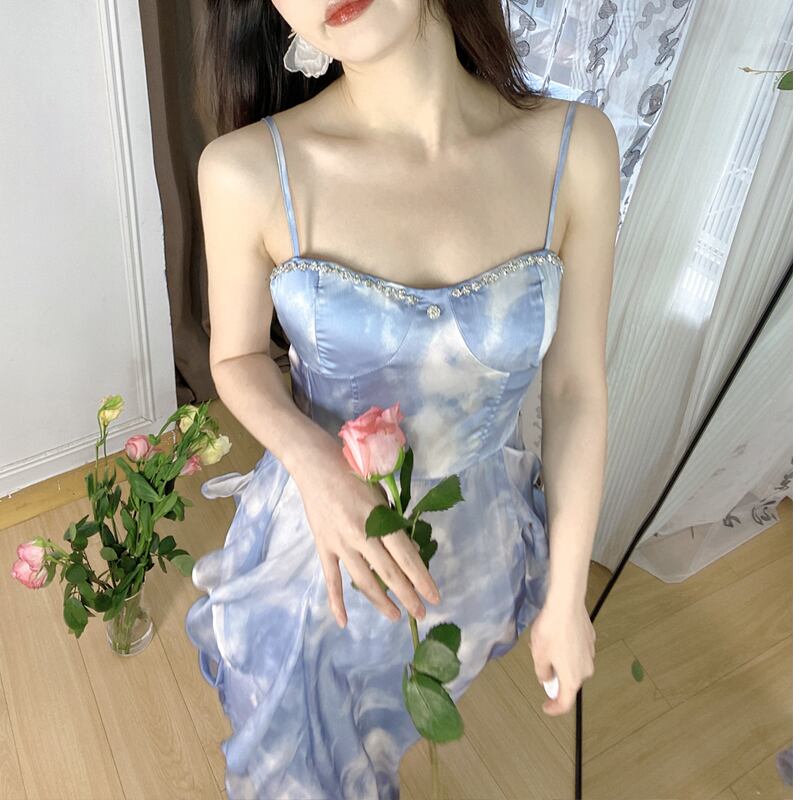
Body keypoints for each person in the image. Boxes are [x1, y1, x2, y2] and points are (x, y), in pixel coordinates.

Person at [185, 1, 619, 798]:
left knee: (402, 725)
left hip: (480, 550)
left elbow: (575, 388)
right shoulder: (246, 170)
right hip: (322, 563)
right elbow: (237, 357)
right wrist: (316, 465)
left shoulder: (576, 148)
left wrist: (568, 595)